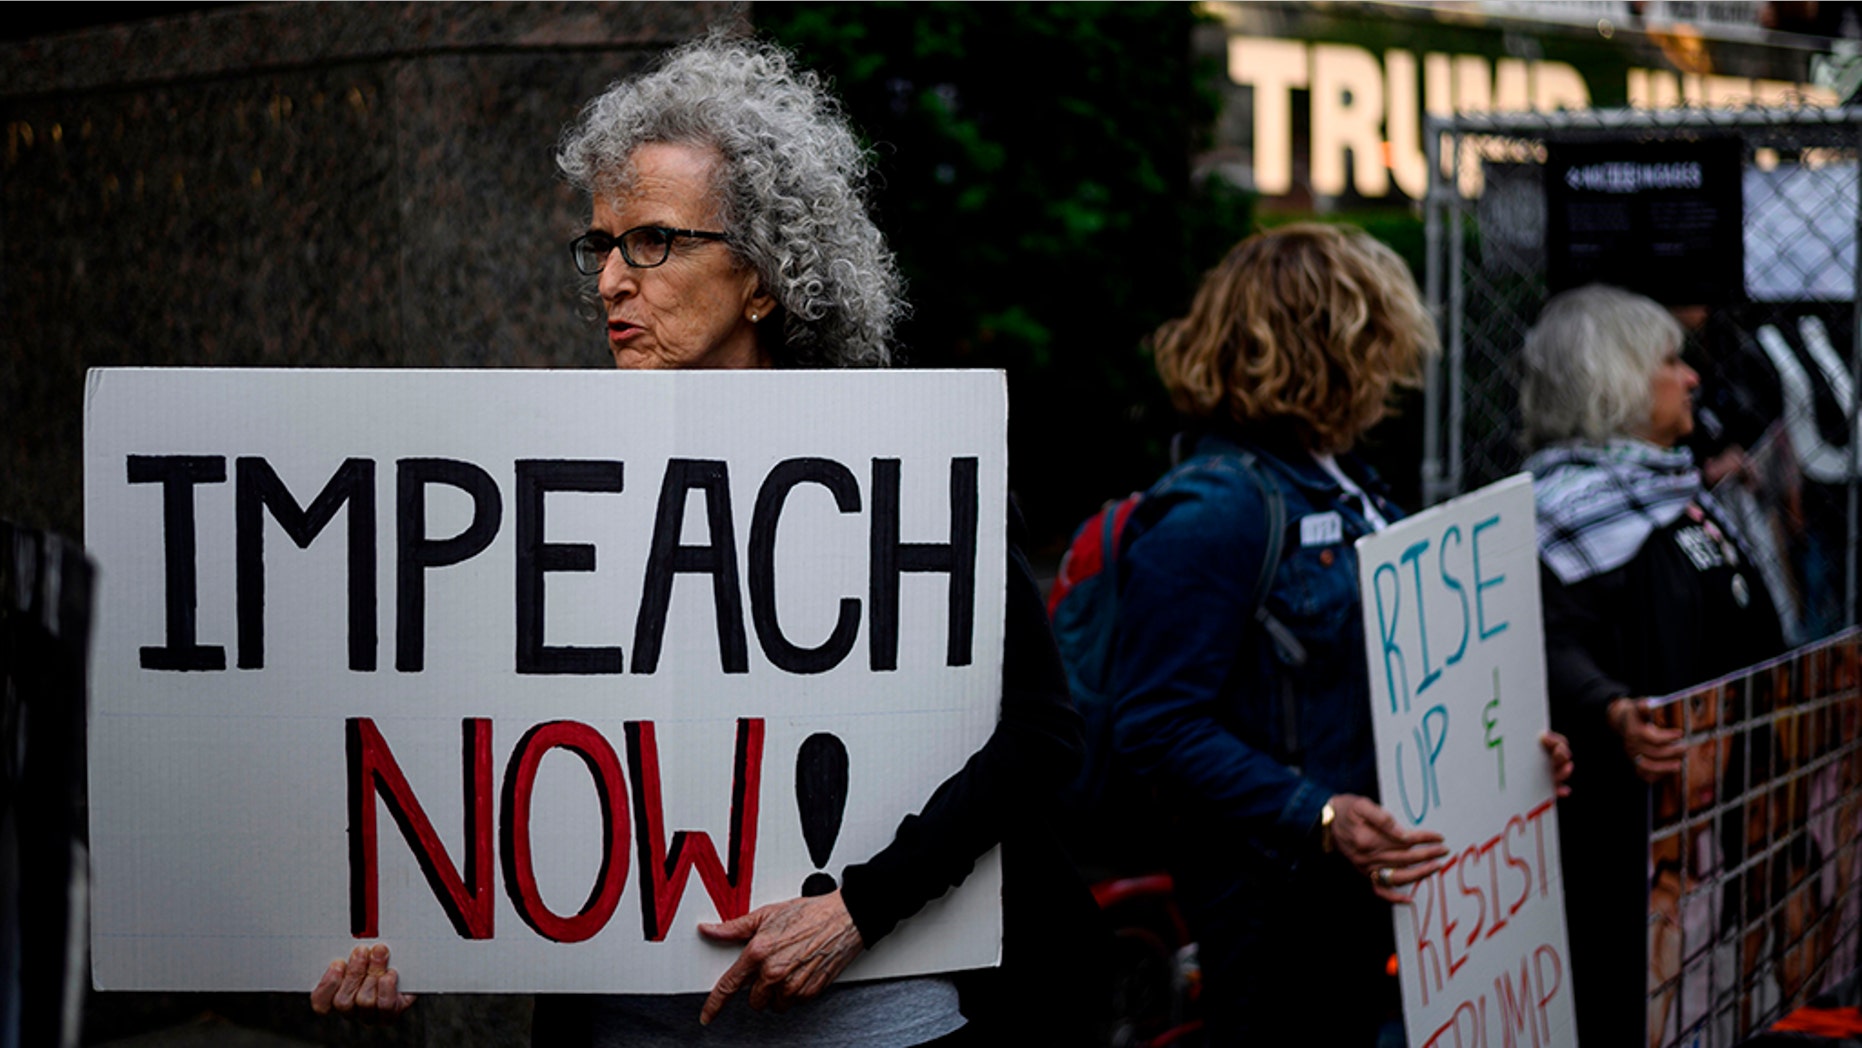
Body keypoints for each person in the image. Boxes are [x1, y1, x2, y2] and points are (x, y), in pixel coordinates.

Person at [310, 33, 1098, 1046]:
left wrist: (857, 907)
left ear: (765, 278)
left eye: (652, 241)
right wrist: (408, 938)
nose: (609, 281)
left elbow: (1039, 736)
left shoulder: (907, 469)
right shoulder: (543, 492)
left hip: (874, 1024)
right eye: (600, 244)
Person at [1108, 224, 1574, 1045]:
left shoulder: (1344, 482)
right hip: (1277, 910)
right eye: (1381, 341)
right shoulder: (1214, 511)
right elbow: (1152, 725)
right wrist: (1319, 814)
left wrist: (1506, 763)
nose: (1394, 369)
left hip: (1361, 893)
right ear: (1335, 347)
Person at [1518, 284, 1785, 1046]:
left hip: (1718, 834)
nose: (1691, 377)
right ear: (1617, 378)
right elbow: (1545, 639)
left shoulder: (1674, 490)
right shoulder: (1553, 512)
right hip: (1619, 851)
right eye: (1670, 362)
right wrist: (1610, 709)